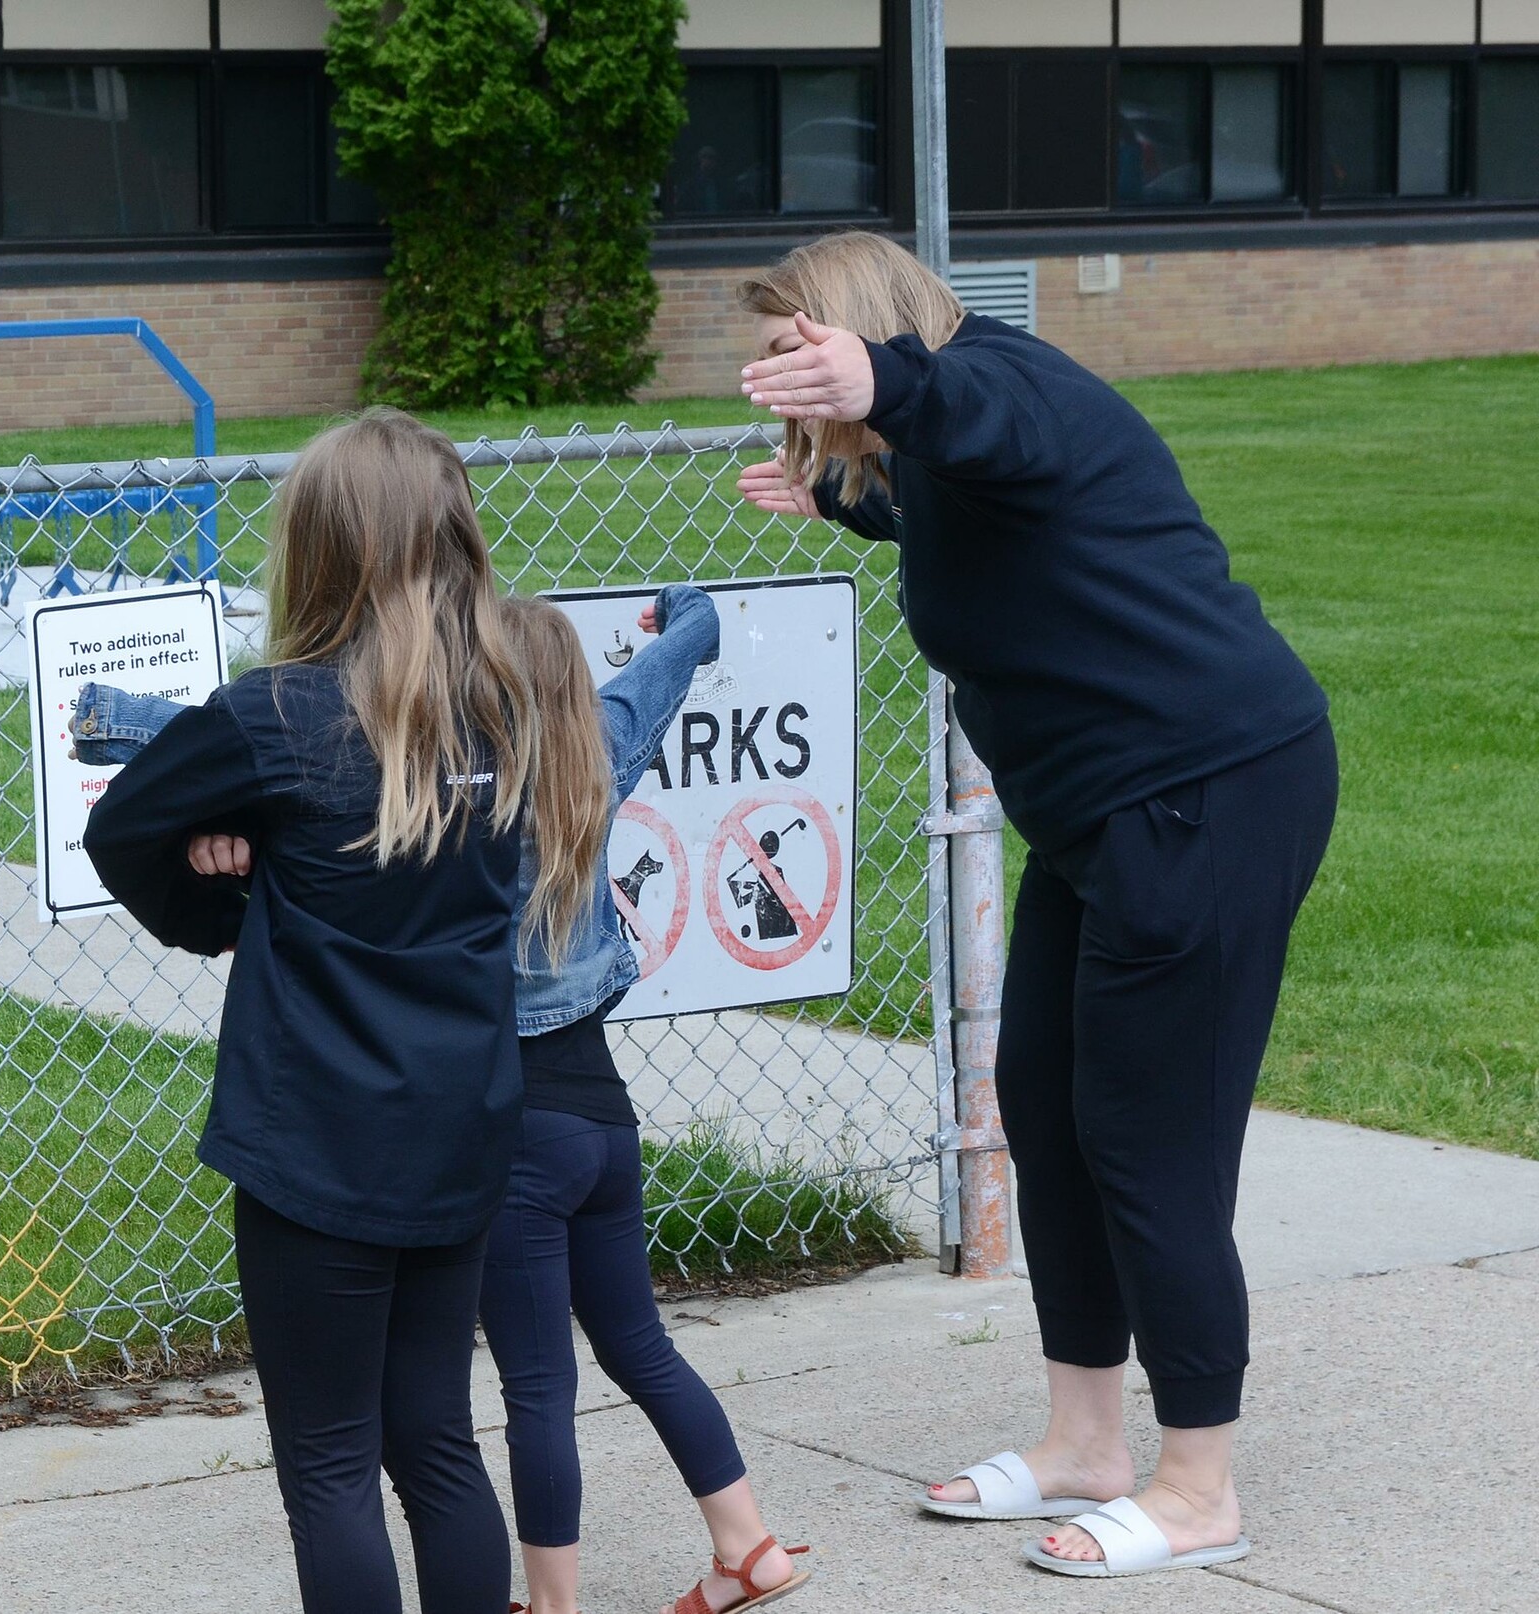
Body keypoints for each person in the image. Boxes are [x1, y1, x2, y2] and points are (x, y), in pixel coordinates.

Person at [734, 232, 1336, 1579]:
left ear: (865, 338)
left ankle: (1200, 1487)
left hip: (1209, 793)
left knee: (1146, 1134)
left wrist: (875, 378)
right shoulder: (949, 455)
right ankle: (1084, 1443)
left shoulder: (1007, 387)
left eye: (799, 349)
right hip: (1106, 817)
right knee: (1049, 1107)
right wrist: (842, 500)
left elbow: (978, 417)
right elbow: (968, 496)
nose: (784, 379)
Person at [74, 587, 812, 1614]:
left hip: (511, 1124)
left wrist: (125, 728)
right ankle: (748, 1541)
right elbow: (656, 679)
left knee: (524, 1393)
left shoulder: (445, 782)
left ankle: (551, 1604)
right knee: (635, 1346)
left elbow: (300, 752)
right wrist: (687, 615)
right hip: (604, 1115)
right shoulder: (592, 750)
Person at [82, 409, 597, 1614]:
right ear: (455, 537)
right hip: (464, 1128)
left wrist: (230, 882)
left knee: (328, 1466)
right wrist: (249, 863)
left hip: (318, 1145)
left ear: (314, 551)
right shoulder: (513, 702)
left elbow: (121, 827)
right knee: (434, 1445)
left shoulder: (276, 717)